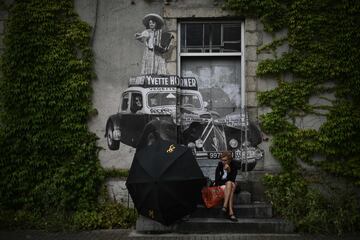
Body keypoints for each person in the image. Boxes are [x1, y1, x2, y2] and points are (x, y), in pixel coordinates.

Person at [214, 151, 238, 222]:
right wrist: (223, 174)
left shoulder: (234, 165)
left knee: (230, 184)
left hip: (229, 185)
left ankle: (225, 207)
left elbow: (232, 179)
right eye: (222, 160)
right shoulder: (220, 165)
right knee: (231, 185)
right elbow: (217, 180)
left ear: (229, 160)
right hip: (221, 185)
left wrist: (229, 171)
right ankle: (231, 212)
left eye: (225, 160)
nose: (223, 162)